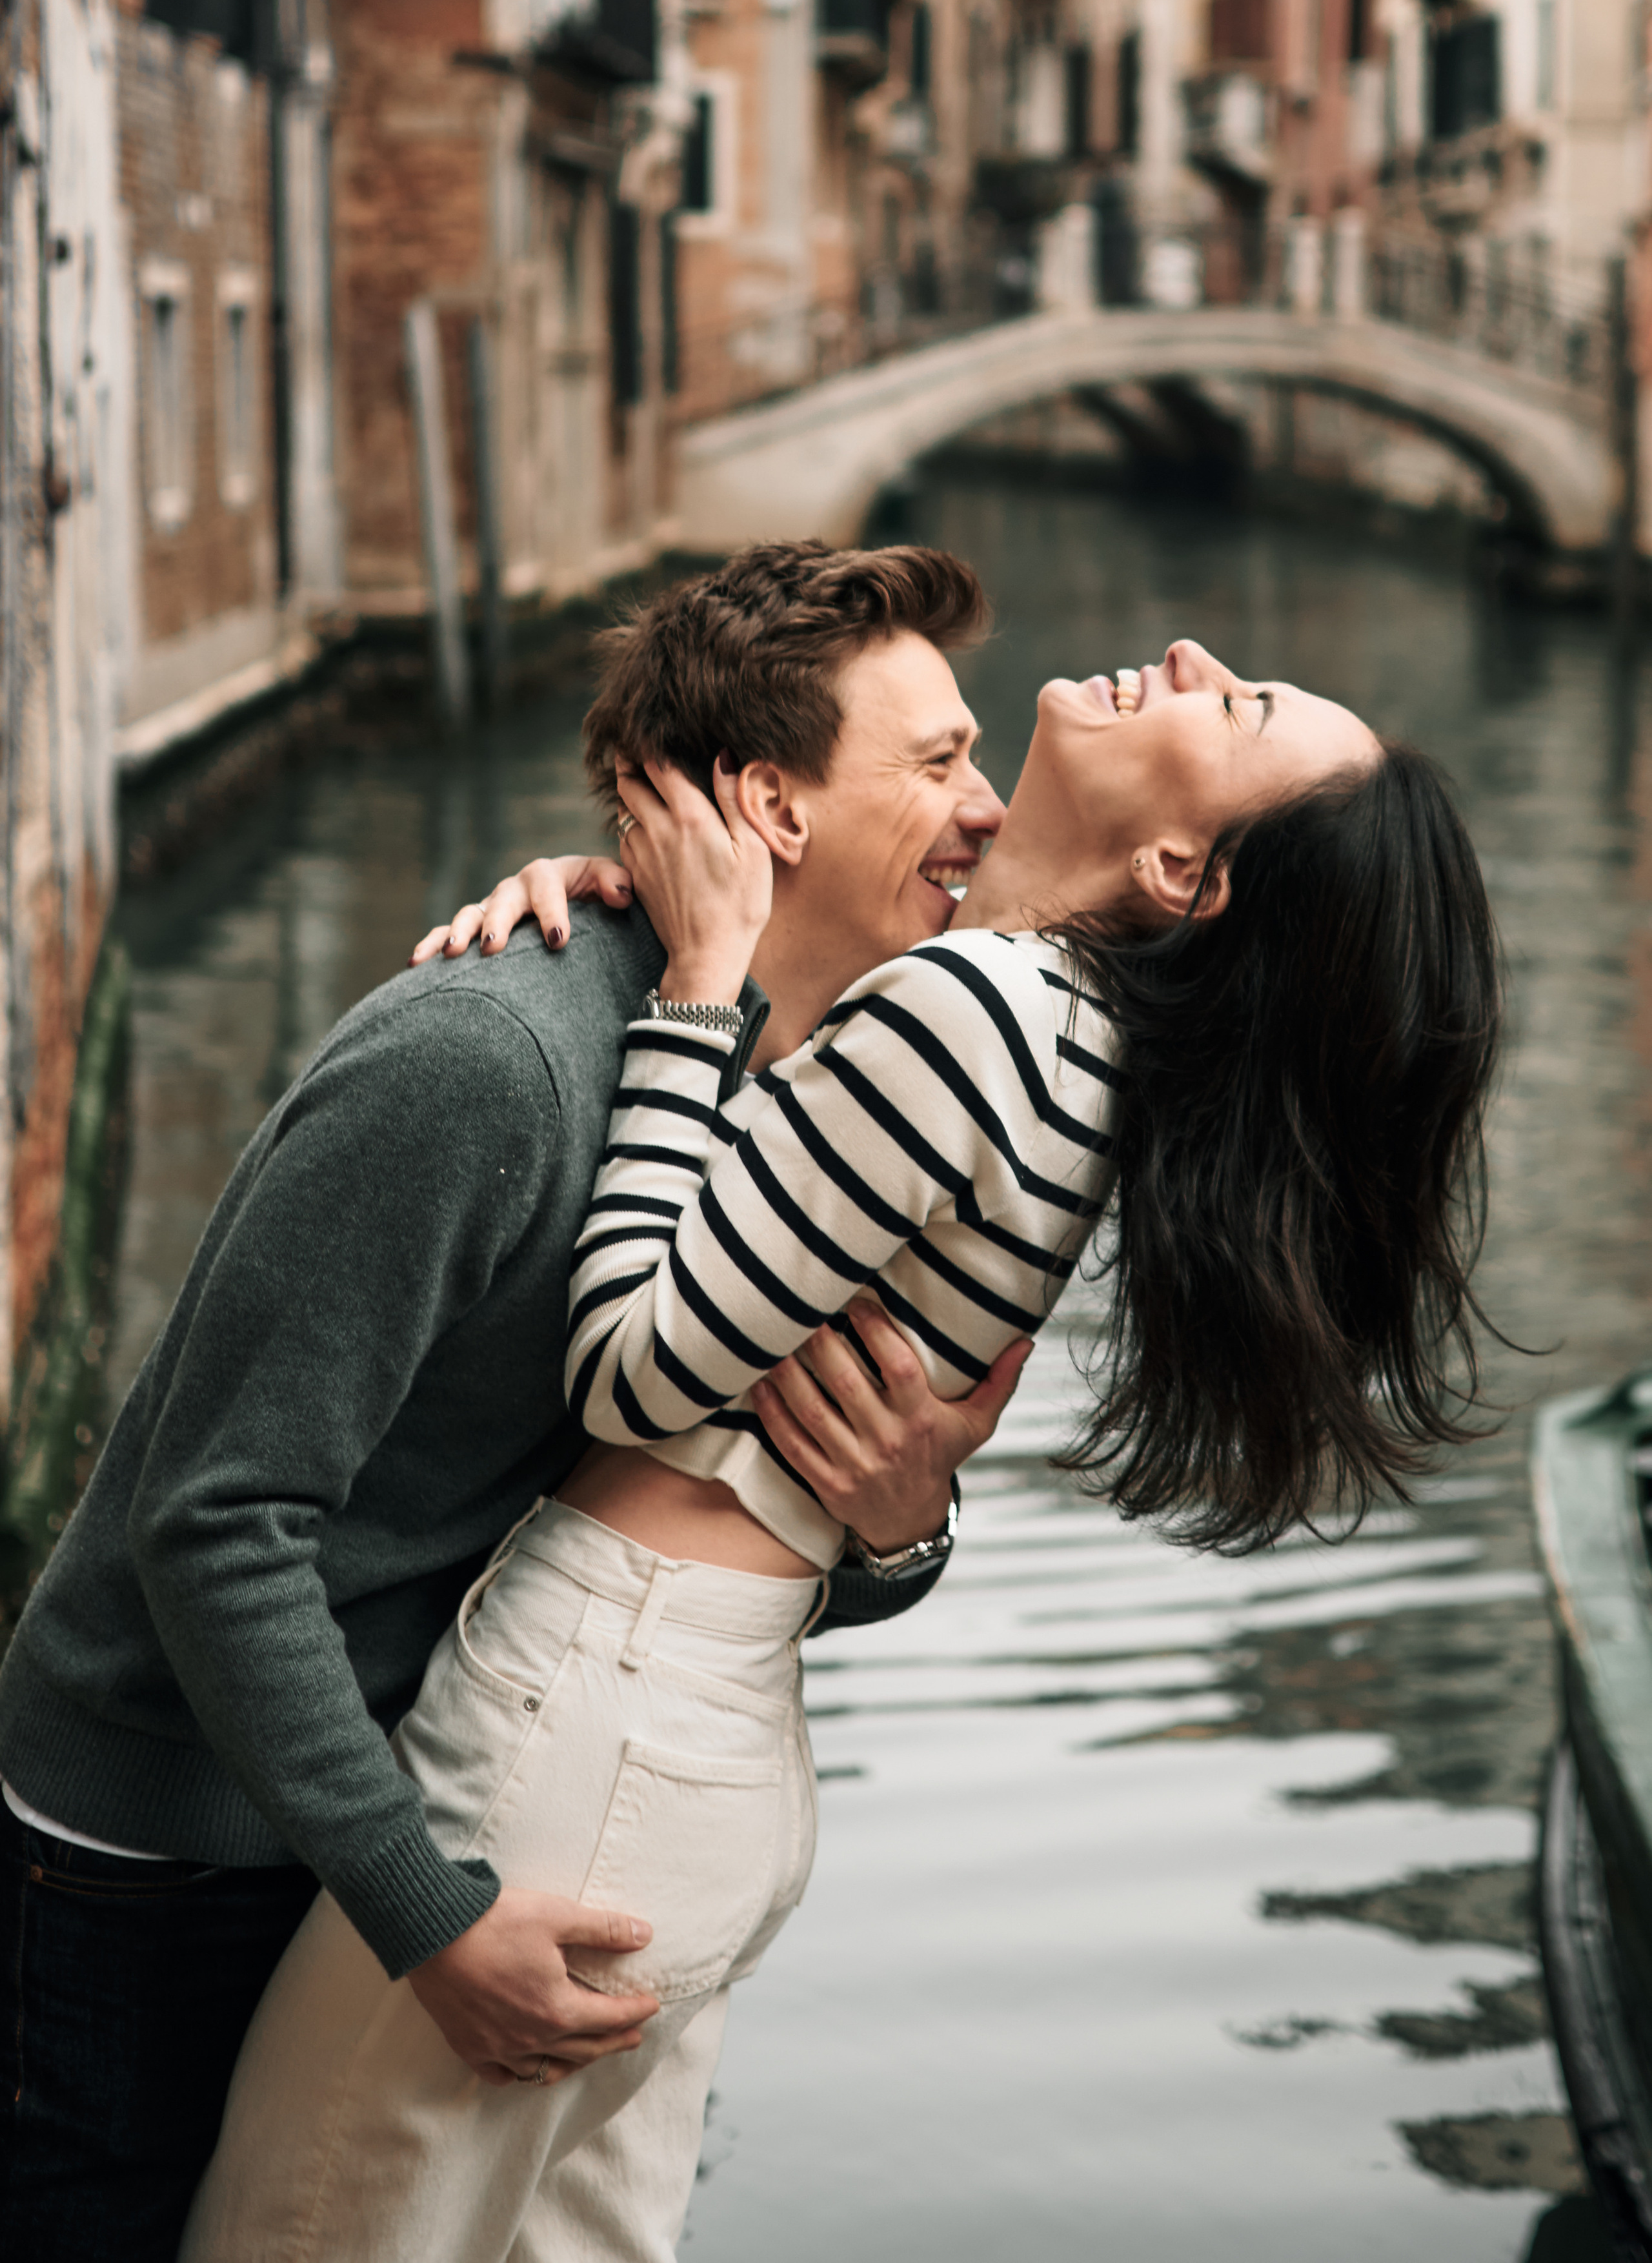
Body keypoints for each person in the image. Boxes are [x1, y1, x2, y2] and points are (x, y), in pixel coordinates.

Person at [183, 639, 1503, 2262]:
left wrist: (688, 990)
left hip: (594, 1724)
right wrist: (640, 918)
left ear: (1180, 868)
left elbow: (628, 1374)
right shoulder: (1060, 1033)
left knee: (297, 2235)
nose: (1191, 658)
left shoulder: (973, 1012)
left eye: (1232, 709)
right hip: (708, 1734)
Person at [0, 544, 1028, 2263]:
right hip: (141, 1858)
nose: (985, 808)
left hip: (377, 1793)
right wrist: (428, 1920)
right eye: (936, 764)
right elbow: (216, 1520)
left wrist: (904, 1520)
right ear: (770, 802)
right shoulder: (485, 1060)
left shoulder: (777, 1082)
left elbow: (697, 1524)